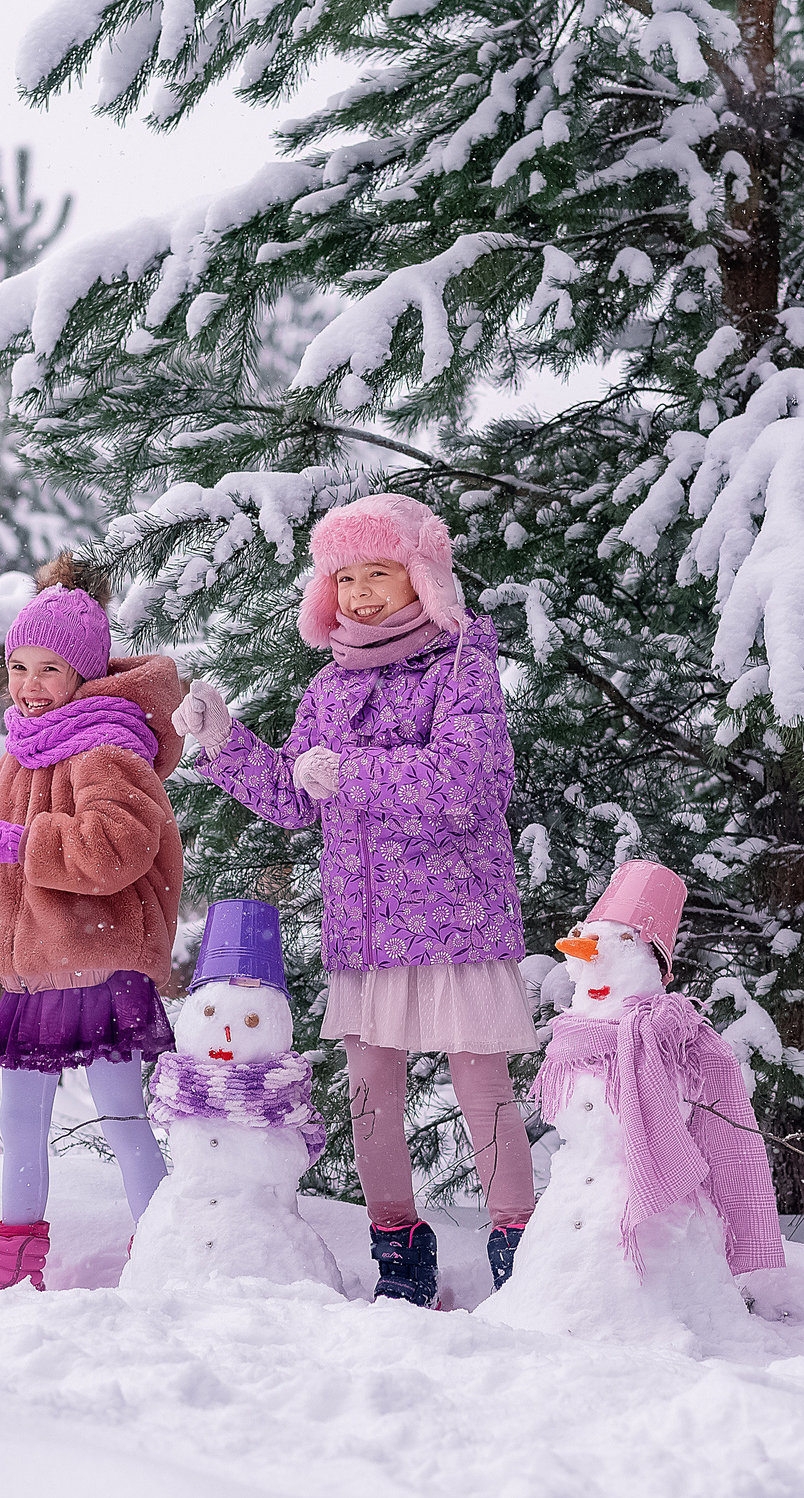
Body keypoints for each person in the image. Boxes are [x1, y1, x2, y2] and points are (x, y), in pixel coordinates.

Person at [175, 493, 536, 1306]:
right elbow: (297, 796)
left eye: (381, 572)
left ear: (423, 577)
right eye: (346, 577)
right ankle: (399, 1253)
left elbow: (464, 787)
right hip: (364, 930)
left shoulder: (461, 667)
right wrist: (221, 739)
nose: (362, 593)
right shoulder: (330, 687)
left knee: (482, 1090)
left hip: (455, 923)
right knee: (372, 1097)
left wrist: (353, 774)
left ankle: (524, 1250)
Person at [0, 555, 185, 1291]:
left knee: (120, 1113)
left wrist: (32, 842)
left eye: (47, 670)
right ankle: (10, 1264)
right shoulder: (23, 749)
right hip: (40, 964)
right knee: (20, 1119)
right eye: (18, 667)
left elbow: (120, 845)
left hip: (99, 960)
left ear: (82, 673)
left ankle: (164, 1248)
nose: (29, 685)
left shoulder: (108, 747)